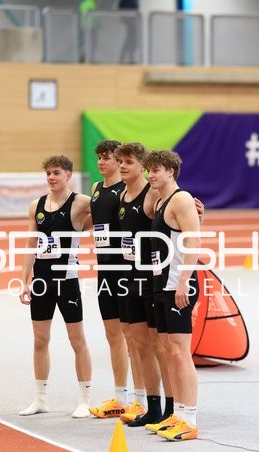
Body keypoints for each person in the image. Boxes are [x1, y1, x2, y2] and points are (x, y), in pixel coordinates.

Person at [18, 155, 93, 418]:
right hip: (41, 280)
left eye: (56, 173)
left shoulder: (81, 202)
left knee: (77, 340)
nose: (51, 178)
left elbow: (107, 213)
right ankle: (40, 398)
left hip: (67, 279)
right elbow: (30, 245)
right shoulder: (35, 205)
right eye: (48, 173)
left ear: (69, 175)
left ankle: (84, 399)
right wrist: (24, 281)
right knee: (40, 340)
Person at [143, 150, 202, 441]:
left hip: (179, 283)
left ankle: (190, 419)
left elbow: (194, 240)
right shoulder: (161, 200)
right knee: (169, 352)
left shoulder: (181, 199)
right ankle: (177, 414)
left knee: (180, 352)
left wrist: (184, 281)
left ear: (171, 172)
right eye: (149, 171)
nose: (150, 175)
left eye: (156, 170)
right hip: (163, 283)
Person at [87, 140, 145, 421]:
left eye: (107, 158)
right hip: (104, 269)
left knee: (133, 338)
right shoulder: (96, 189)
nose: (102, 162)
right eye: (99, 157)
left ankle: (141, 398)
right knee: (113, 336)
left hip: (126, 270)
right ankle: (120, 397)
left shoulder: (127, 190)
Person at [114, 142, 168, 427]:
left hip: (151, 278)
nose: (122, 166)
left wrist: (198, 215)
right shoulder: (122, 194)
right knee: (139, 345)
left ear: (142, 167)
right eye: (120, 161)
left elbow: (176, 213)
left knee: (159, 346)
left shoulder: (152, 193)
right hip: (129, 277)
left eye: (129, 162)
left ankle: (172, 407)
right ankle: (153, 406)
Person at [118, 0, 139, 64]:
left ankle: (127, 56)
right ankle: (126, 57)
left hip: (131, 17)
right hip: (129, 17)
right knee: (131, 37)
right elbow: (123, 5)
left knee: (131, 37)